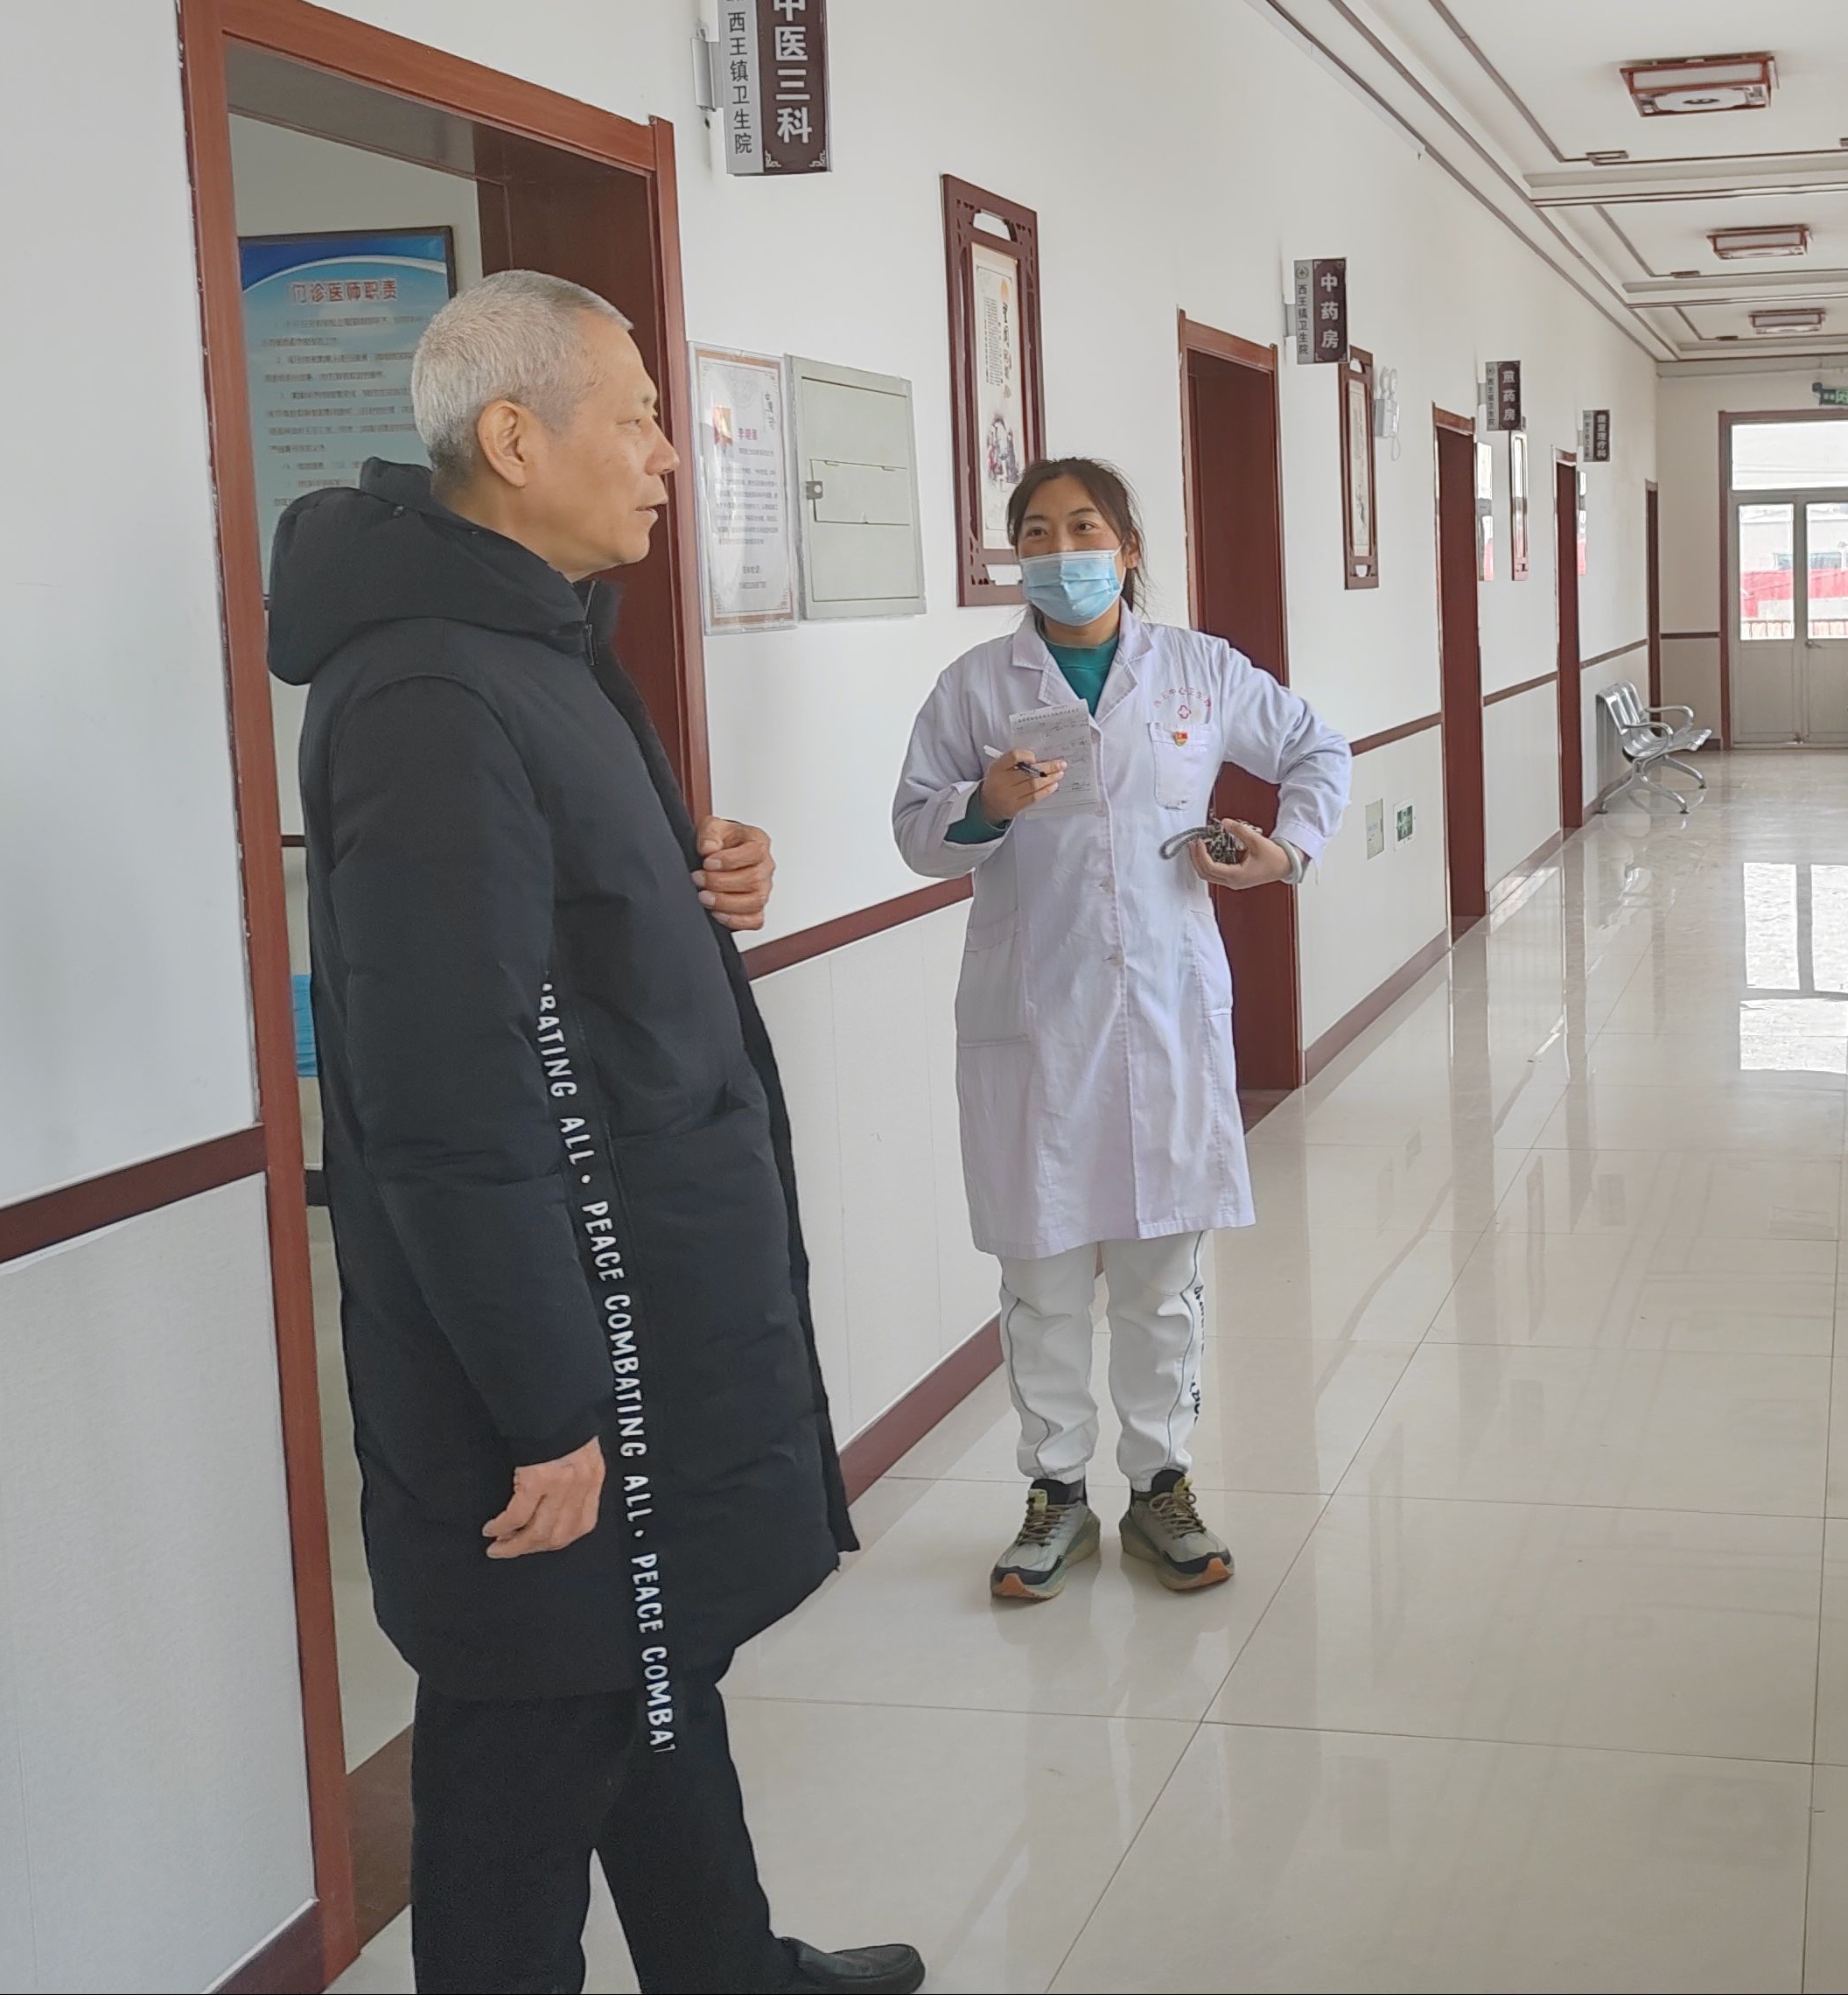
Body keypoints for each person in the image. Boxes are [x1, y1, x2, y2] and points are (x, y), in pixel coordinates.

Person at [272, 270, 922, 1995]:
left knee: (650, 1664)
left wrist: (699, 878)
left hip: (627, 1277)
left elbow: (555, 942)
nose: (666, 453)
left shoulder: (535, 642)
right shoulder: (429, 692)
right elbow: (442, 1088)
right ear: (514, 437)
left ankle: (731, 1969)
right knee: (529, 1742)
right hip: (563, 1334)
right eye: (637, 416)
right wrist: (550, 1398)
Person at [892, 457, 1350, 1602]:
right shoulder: (976, 686)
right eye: (1036, 534)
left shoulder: (1198, 669)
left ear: (1129, 548)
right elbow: (914, 830)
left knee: (1158, 1276)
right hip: (1034, 1020)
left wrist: (1286, 851)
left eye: (1084, 528)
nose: (1062, 553)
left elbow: (1317, 749)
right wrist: (983, 807)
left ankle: (1160, 1486)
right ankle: (1055, 1494)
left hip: (1164, 1011)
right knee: (1042, 1277)